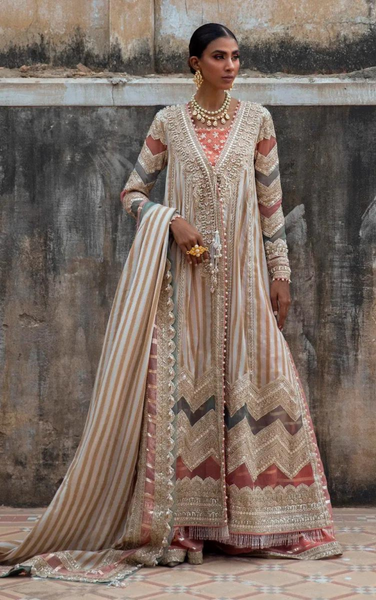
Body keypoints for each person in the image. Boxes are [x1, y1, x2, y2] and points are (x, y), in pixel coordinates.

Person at [0, 22, 342, 586]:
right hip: (185, 284)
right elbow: (132, 193)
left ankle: (261, 523)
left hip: (246, 282)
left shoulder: (258, 121)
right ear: (194, 63)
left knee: (263, 381)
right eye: (219, 57)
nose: (230, 67)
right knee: (190, 390)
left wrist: (280, 274)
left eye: (236, 57)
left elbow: (271, 204)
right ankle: (189, 524)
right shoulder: (169, 123)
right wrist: (172, 220)